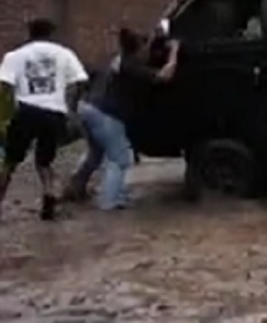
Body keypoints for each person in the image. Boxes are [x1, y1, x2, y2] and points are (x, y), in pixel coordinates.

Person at [61, 28, 180, 210]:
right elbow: (165, 76)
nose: (147, 50)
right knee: (121, 159)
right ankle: (111, 202)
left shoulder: (119, 59)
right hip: (105, 114)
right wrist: (174, 52)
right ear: (137, 49)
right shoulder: (130, 66)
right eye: (145, 46)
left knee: (95, 154)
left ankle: (74, 188)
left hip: (88, 108)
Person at [0, 18, 89, 220]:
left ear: (29, 33)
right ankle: (48, 195)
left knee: (10, 162)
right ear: (51, 33)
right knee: (44, 160)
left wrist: (6, 114)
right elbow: (81, 81)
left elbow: (4, 85)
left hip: (26, 110)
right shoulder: (64, 54)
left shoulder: (15, 56)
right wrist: (70, 107)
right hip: (54, 112)